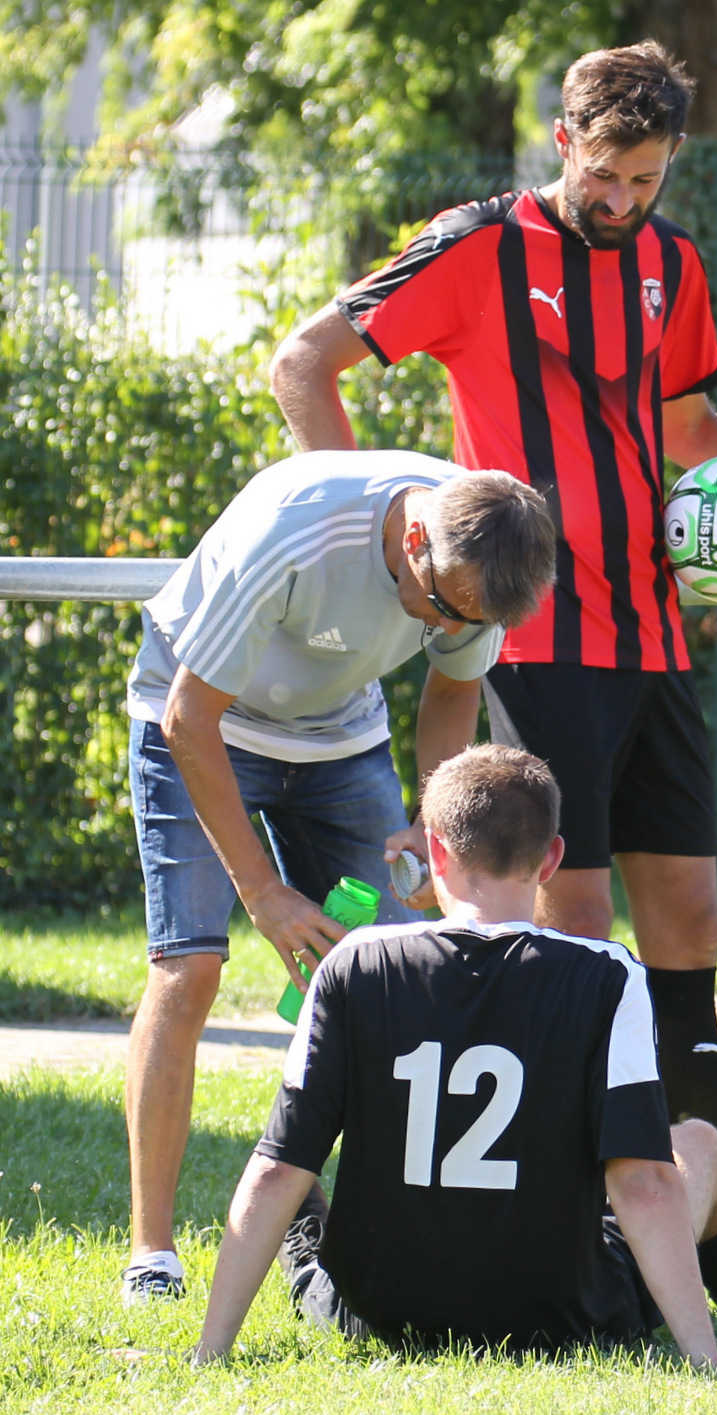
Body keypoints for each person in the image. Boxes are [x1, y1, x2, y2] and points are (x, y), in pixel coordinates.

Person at [269, 41, 717, 1156]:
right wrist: (365, 527)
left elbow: (682, 423)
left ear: (673, 160)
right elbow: (303, 363)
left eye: (645, 179)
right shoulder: (475, 242)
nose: (621, 201)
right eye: (602, 174)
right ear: (562, 139)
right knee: (574, 924)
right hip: (534, 634)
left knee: (689, 920)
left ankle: (707, 1207)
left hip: (653, 634)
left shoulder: (672, 259)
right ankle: (584, 1207)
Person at [191, 744, 717, 1363]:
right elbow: (641, 1183)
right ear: (551, 859)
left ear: (434, 852)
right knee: (696, 1144)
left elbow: (276, 1170)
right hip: (560, 1314)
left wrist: (210, 1354)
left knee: (295, 1183)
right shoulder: (607, 974)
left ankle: (306, 1256)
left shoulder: (354, 962)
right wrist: (705, 1361)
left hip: (380, 1312)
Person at [120, 450, 558, 1305]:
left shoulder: (480, 559)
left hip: (339, 735)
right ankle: (153, 1254)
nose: (445, 624)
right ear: (415, 536)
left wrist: (437, 821)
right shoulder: (293, 532)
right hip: (200, 719)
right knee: (190, 967)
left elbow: (450, 694)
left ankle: (367, 1233)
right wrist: (263, 893)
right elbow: (188, 718)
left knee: (402, 976)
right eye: (441, 604)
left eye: (464, 618)